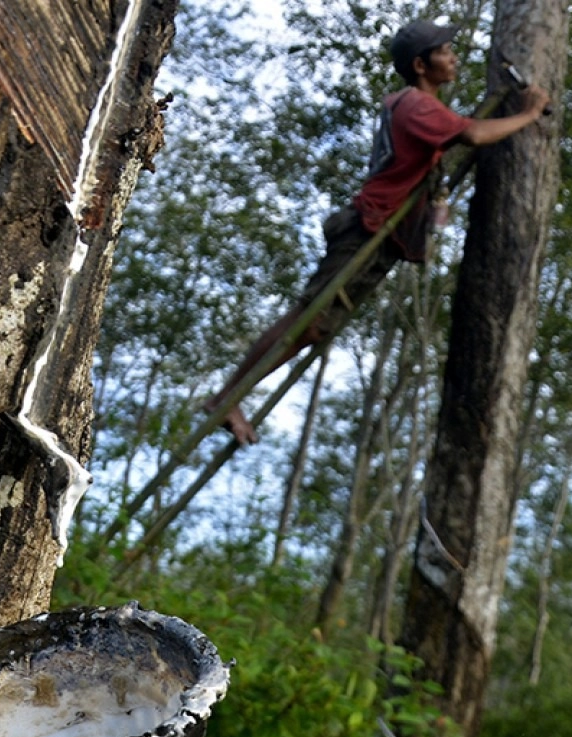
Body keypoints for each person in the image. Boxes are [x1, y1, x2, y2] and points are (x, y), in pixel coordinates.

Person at [206, 20, 550, 446]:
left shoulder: (417, 106)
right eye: (445, 51)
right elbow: (475, 134)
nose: (454, 58)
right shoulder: (416, 105)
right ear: (421, 65)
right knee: (309, 318)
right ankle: (226, 397)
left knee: (315, 324)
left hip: (380, 230)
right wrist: (529, 113)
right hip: (369, 225)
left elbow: (457, 137)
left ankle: (229, 396)